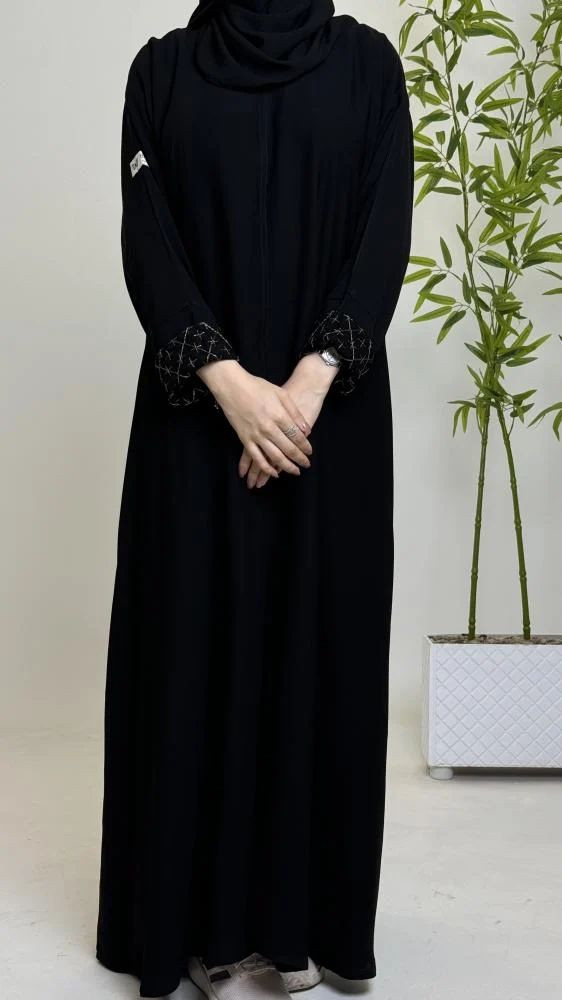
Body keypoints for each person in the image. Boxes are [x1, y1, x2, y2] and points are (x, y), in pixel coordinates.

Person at [95, 2, 414, 998]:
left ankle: (303, 924)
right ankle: (201, 927)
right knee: (194, 648)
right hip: (197, 423)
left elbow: (384, 228)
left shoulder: (368, 67)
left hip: (331, 423)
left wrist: (310, 382)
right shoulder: (163, 73)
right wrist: (230, 385)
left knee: (321, 651)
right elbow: (148, 239)